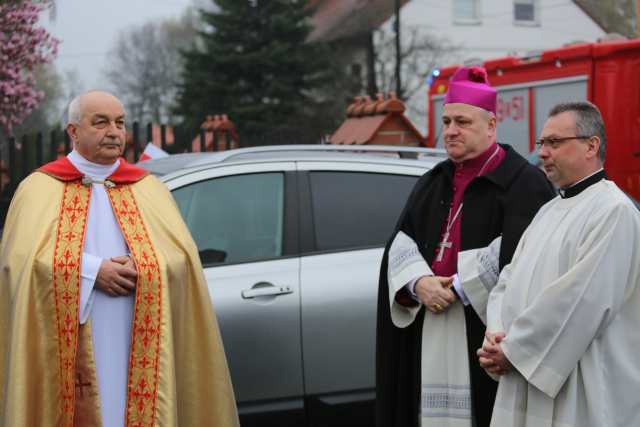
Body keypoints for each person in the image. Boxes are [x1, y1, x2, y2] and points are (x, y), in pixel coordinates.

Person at [0, 90, 239, 426]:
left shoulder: (147, 188)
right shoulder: (38, 189)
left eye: (119, 123)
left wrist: (145, 262)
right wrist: (91, 271)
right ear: (73, 132)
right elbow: (21, 262)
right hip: (75, 337)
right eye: (100, 122)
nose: (114, 131)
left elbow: (181, 260)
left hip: (139, 334)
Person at [376, 67, 555, 427]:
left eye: (462, 121)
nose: (451, 130)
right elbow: (401, 243)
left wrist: (460, 285)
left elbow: (529, 253)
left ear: (491, 125)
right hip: (429, 326)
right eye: (446, 121)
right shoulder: (432, 182)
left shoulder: (524, 183)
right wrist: (418, 283)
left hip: (483, 332)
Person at [477, 101, 640, 427]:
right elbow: (508, 281)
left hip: (584, 380)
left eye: (554, 142)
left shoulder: (613, 211)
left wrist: (515, 349)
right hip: (522, 365)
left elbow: (583, 300)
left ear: (591, 145)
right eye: (541, 144)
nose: (543, 153)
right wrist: (496, 335)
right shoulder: (549, 211)